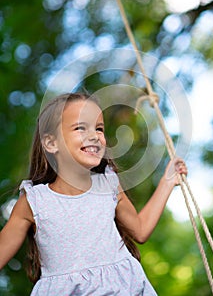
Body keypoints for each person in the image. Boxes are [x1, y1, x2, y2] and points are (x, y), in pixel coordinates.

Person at [0, 92, 187, 295]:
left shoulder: (108, 185)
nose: (95, 136)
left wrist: (167, 181)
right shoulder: (35, 201)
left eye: (99, 128)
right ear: (51, 143)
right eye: (81, 127)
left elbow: (140, 231)